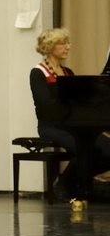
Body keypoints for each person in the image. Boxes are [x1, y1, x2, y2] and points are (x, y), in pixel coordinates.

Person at [29, 27, 110, 196]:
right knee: (89, 149)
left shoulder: (68, 72)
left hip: (73, 124)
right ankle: (68, 186)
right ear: (49, 47)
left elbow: (79, 102)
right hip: (52, 126)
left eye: (68, 43)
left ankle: (67, 181)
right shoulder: (38, 72)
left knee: (108, 149)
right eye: (62, 43)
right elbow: (45, 104)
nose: (68, 47)